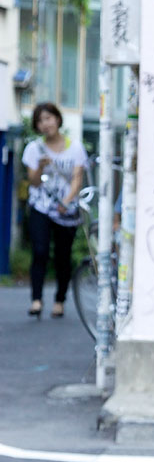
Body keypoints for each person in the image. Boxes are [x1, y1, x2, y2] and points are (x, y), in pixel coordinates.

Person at [21, 102, 88, 319]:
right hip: (41, 205)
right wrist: (40, 166)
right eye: (40, 121)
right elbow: (32, 182)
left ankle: (59, 300)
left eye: (48, 118)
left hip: (65, 210)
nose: (45, 124)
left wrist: (66, 202)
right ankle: (37, 300)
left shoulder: (75, 147)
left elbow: (78, 179)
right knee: (39, 251)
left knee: (63, 255)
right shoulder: (34, 149)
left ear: (58, 119)